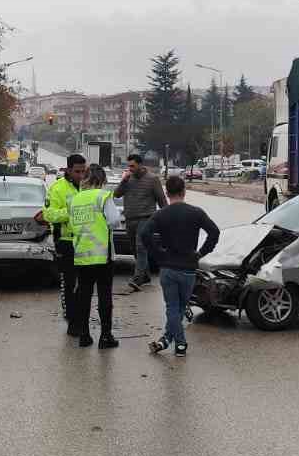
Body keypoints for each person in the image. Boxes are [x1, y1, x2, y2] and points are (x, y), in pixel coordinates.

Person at [139, 174, 220, 357]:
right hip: (188, 269)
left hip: (168, 268)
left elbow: (144, 234)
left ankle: (173, 340)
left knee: (172, 308)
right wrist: (201, 252)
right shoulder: (196, 212)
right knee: (180, 308)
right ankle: (179, 342)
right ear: (184, 192)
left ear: (167, 193)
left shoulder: (161, 215)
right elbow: (214, 232)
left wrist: (158, 253)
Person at [66, 164, 121, 348]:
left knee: (84, 295)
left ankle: (84, 335)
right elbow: (114, 221)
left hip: (82, 254)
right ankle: (105, 336)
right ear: (102, 179)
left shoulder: (75, 199)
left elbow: (73, 225)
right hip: (103, 255)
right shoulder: (103, 196)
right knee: (104, 295)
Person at [39, 154, 86, 324]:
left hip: (86, 241)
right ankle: (70, 316)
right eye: (77, 172)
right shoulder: (58, 188)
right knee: (68, 282)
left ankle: (81, 313)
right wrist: (73, 212)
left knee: (85, 282)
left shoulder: (86, 186)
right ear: (68, 170)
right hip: (65, 242)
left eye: (83, 171)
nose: (80, 176)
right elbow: (49, 214)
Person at [114, 153, 167, 289]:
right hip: (130, 219)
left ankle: (137, 278)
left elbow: (162, 200)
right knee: (135, 249)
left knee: (141, 246)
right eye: (129, 166)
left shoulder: (152, 179)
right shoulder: (128, 179)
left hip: (146, 218)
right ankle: (145, 275)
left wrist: (167, 219)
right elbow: (116, 194)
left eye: (132, 166)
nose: (130, 168)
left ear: (140, 165)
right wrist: (123, 181)